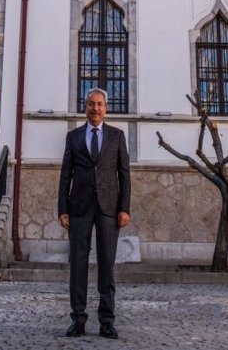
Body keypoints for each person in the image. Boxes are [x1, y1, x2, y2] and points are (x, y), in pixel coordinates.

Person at [58, 88, 131, 339]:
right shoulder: (74, 137)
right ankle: (78, 319)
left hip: (109, 208)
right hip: (79, 208)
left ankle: (107, 321)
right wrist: (62, 208)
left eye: (99, 104)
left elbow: (125, 174)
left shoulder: (117, 136)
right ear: (85, 107)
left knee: (107, 266)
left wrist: (124, 208)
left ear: (106, 108)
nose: (95, 108)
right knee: (77, 265)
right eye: (91, 104)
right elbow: (65, 173)